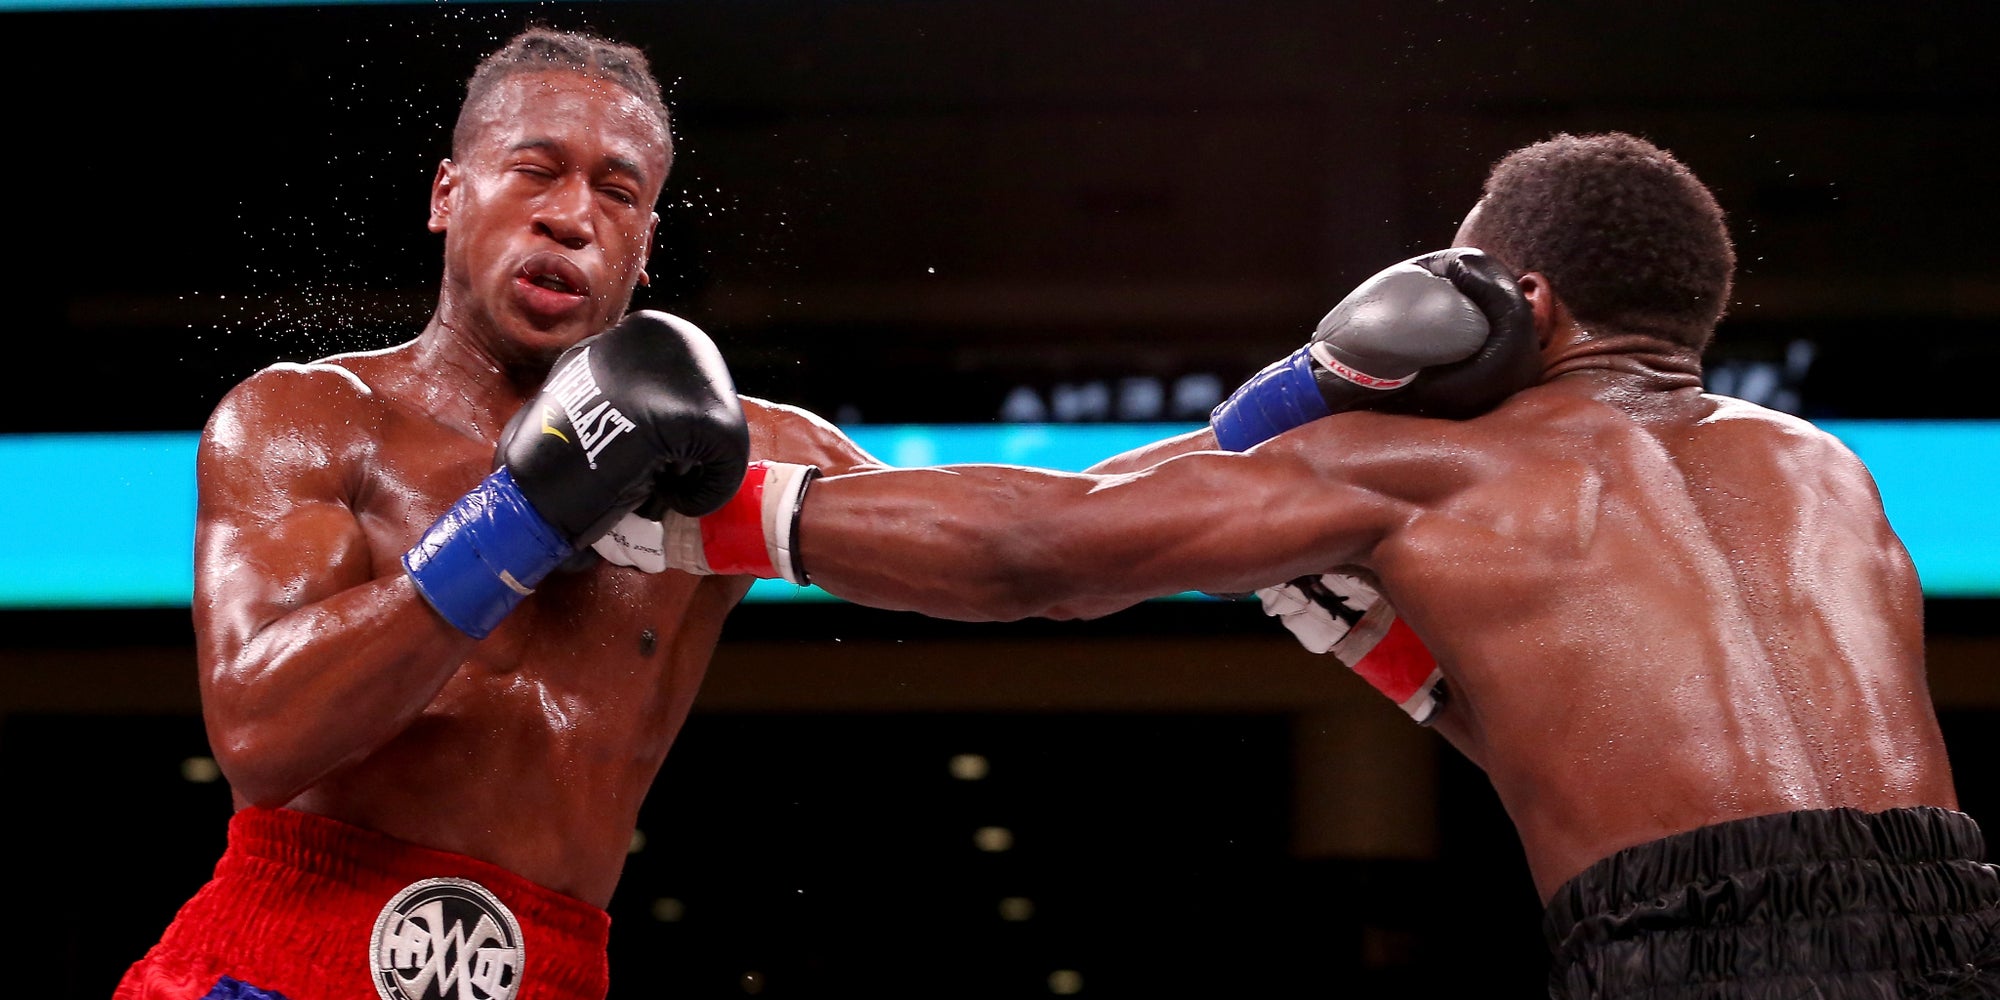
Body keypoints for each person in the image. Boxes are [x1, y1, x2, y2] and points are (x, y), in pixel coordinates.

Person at [119, 25, 1516, 1000]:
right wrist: (524, 512)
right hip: (272, 957)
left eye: (617, 191)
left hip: (550, 965)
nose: (571, 217)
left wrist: (1286, 409)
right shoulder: (310, 419)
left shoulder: (726, 458)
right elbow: (260, 733)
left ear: (648, 240)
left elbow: (1048, 530)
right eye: (534, 170)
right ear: (449, 192)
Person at [654, 132, 2000, 998]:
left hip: (1685, 962)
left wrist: (702, 504)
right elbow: (1697, 781)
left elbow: (1040, 552)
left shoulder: (1425, 467)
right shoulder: (1831, 476)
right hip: (1954, 930)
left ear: (1513, 298)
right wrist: (1397, 658)